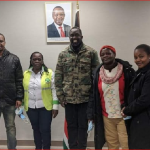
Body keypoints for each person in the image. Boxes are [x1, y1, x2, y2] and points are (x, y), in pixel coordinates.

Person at [55, 27, 100, 149]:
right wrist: (60, 96)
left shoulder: (91, 53)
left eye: (77, 35)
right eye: (72, 35)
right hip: (68, 99)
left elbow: (97, 76)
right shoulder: (63, 54)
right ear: (69, 37)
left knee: (83, 127)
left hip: (85, 99)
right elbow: (58, 76)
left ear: (81, 36)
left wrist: (93, 97)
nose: (74, 38)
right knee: (71, 126)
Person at [87, 45, 135, 149]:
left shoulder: (126, 70)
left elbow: (134, 92)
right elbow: (93, 95)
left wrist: (131, 109)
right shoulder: (97, 74)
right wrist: (90, 115)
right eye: (102, 54)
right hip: (106, 116)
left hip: (124, 114)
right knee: (111, 143)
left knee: (126, 143)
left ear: (114, 54)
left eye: (108, 53)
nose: (105, 56)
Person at [23, 52, 59, 150]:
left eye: (39, 59)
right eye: (34, 59)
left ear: (42, 61)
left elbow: (54, 90)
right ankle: (38, 147)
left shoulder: (49, 73)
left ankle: (46, 148)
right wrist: (21, 106)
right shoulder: (26, 74)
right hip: (31, 107)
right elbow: (23, 91)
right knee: (36, 129)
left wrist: (55, 107)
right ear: (31, 61)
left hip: (45, 107)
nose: (37, 61)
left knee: (45, 130)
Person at [121, 44, 150, 149]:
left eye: (141, 56)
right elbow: (132, 94)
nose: (138, 60)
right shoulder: (139, 73)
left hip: (145, 121)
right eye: (135, 57)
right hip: (137, 119)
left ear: (149, 56)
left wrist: (127, 110)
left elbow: (144, 99)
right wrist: (125, 105)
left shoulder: (148, 73)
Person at [0, 33, 23, 149]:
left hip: (9, 100)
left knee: (10, 127)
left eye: (1, 41)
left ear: (5, 42)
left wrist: (19, 97)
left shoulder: (14, 59)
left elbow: (19, 80)